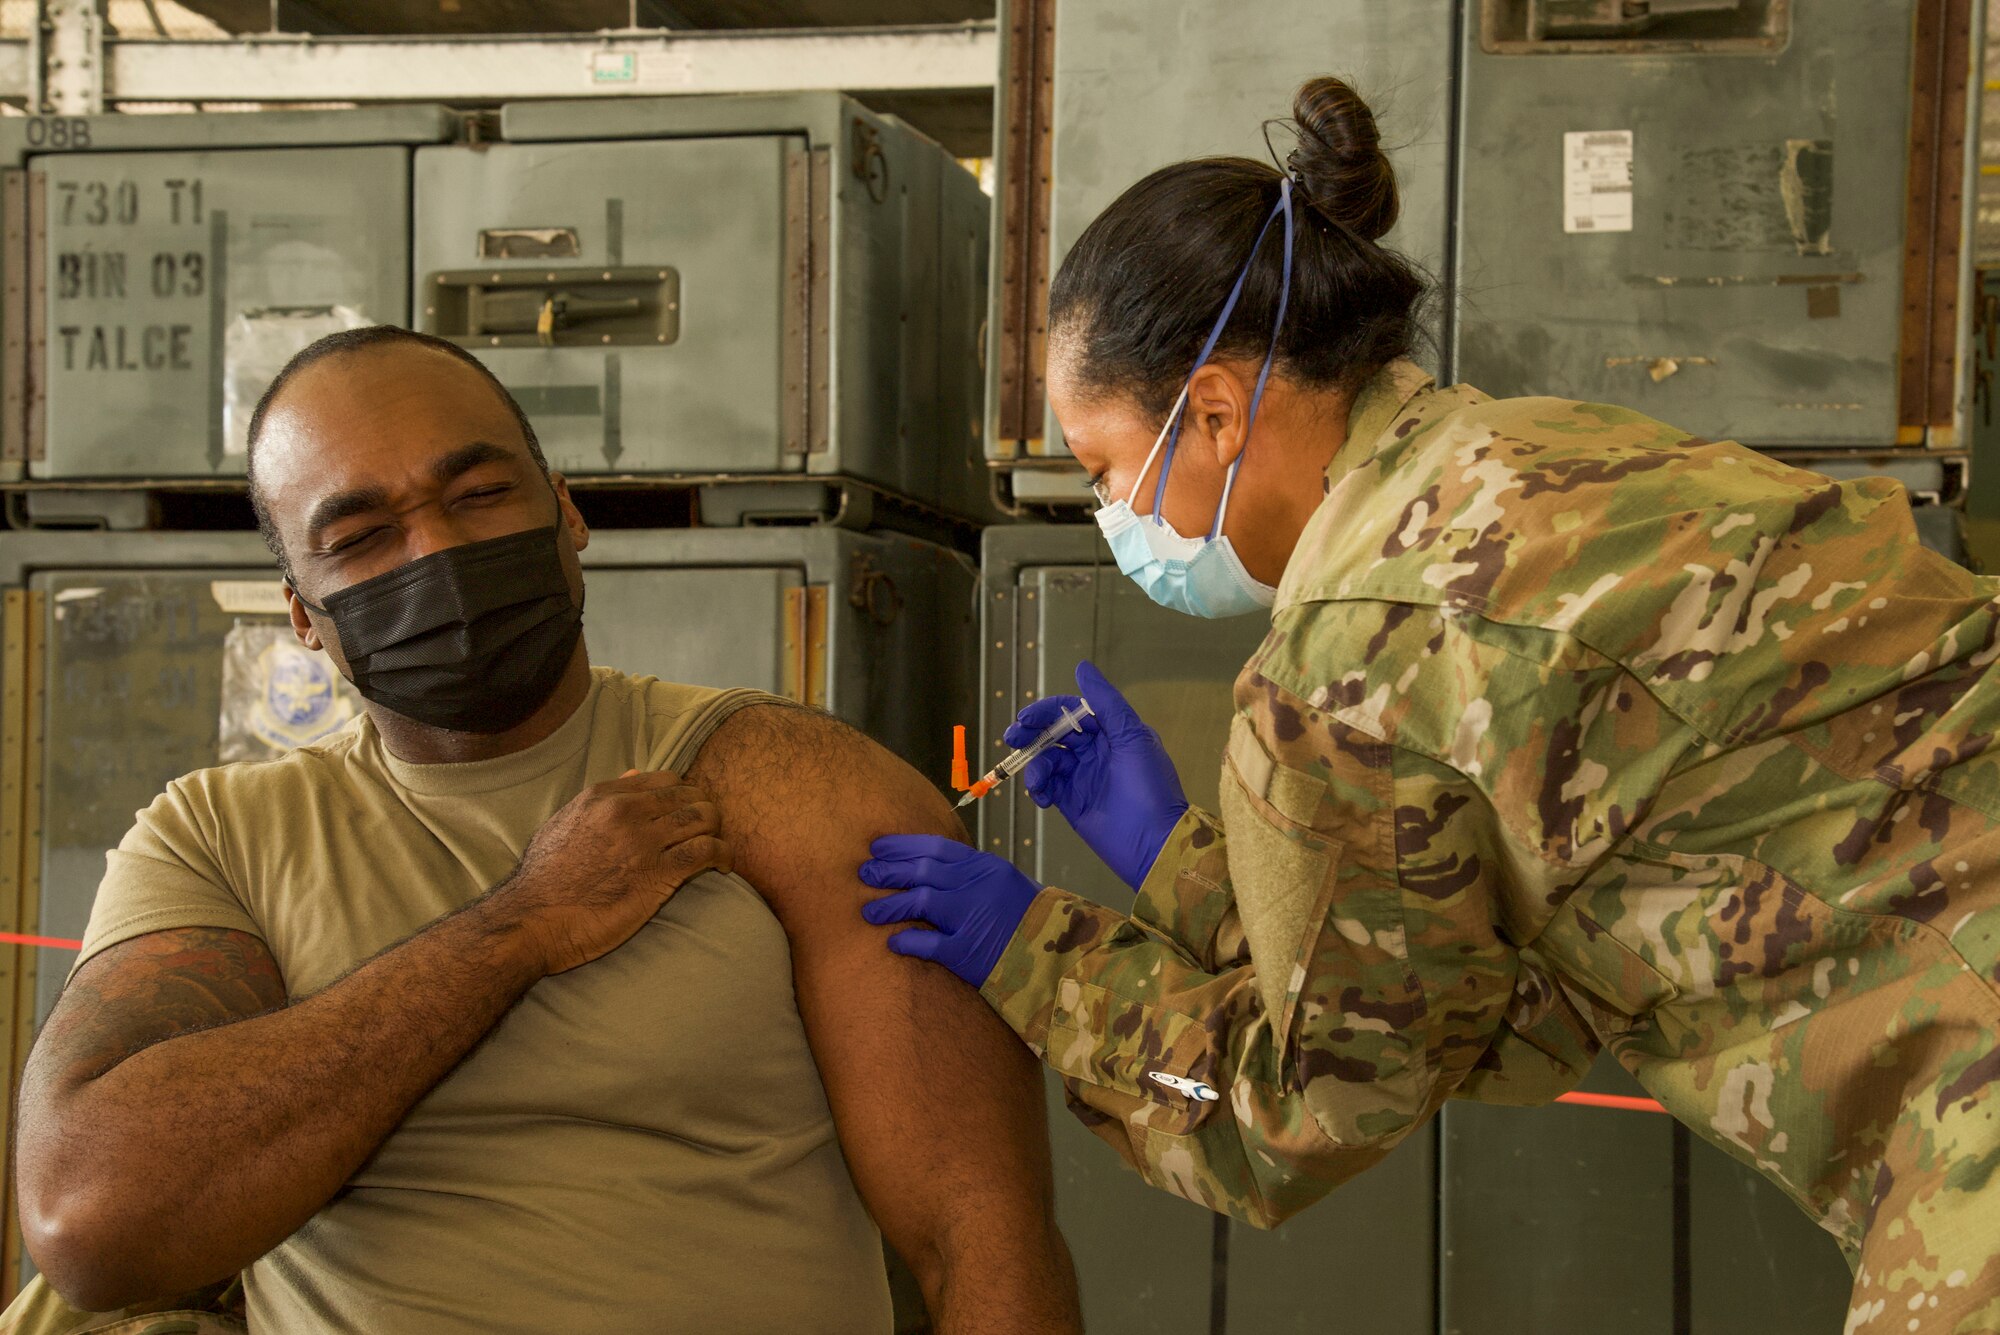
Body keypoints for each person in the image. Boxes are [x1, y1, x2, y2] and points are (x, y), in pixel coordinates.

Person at [860, 75, 2000, 1330]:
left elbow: (1285, 1115)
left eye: (1105, 468)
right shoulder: (1548, 450)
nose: (1113, 517)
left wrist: (1028, 952)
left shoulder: (1350, 659)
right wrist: (1181, 860)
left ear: (1219, 411)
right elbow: (1461, 999)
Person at [13, 326, 1080, 1334]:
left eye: (478, 495)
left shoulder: (787, 787)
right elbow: (92, 1221)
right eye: (363, 536)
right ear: (302, 613)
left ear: (566, 514)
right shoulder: (217, 839)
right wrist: (522, 926)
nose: (436, 552)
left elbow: (979, 1239)